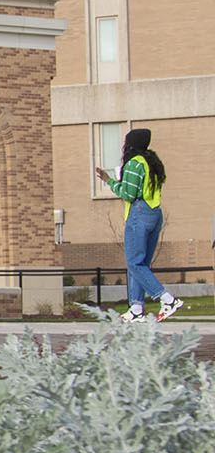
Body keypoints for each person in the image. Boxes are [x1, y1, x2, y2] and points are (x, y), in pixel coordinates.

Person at [96, 127, 180, 321]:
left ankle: (167, 299)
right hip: (154, 214)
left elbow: (128, 194)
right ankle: (136, 309)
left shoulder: (135, 164)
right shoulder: (152, 162)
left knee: (134, 263)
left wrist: (109, 181)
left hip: (139, 214)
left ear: (131, 144)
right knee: (140, 264)